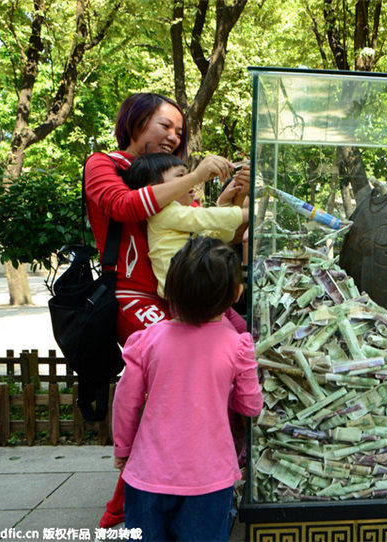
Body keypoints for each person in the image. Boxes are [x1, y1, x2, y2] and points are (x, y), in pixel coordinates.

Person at [84, 92, 249, 528]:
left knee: (179, 390)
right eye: (165, 125)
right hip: (134, 298)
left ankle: (169, 487)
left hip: (176, 298)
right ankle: (133, 497)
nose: (173, 135)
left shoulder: (170, 178)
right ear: (135, 121)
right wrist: (194, 175)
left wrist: (229, 195)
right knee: (172, 385)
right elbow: (124, 206)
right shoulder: (105, 165)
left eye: (179, 130)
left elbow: (199, 229)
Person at [112, 236, 263, 541]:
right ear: (236, 293)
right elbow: (251, 406)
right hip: (210, 479)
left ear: (169, 290)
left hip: (147, 476)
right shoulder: (238, 345)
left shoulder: (147, 340)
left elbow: (125, 400)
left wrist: (123, 448)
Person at [120, 152, 248, 298]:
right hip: (183, 297)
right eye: (181, 176)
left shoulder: (181, 213)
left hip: (194, 293)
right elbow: (204, 218)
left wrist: (226, 205)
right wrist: (244, 214)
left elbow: (219, 235)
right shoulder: (163, 213)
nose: (189, 181)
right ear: (154, 188)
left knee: (238, 322)